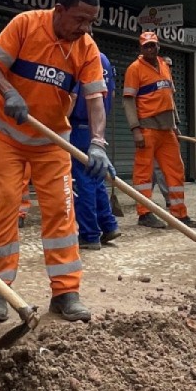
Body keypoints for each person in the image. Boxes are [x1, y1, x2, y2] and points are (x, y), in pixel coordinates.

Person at [0, 0, 112, 324]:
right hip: (8, 139)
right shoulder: (25, 24)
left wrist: (97, 142)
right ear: (59, 9)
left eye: (90, 21)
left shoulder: (86, 47)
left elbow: (95, 99)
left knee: (62, 214)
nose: (85, 28)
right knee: (4, 205)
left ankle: (66, 293)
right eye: (79, 19)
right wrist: (9, 92)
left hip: (52, 144)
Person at [121, 30, 196, 230]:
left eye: (153, 45)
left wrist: (175, 124)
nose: (150, 48)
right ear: (141, 48)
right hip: (147, 128)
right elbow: (128, 100)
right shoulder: (134, 69)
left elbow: (170, 98)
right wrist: (135, 129)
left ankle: (179, 214)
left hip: (167, 129)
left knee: (175, 171)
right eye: (146, 45)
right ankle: (145, 213)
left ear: (158, 46)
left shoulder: (164, 65)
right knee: (144, 174)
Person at [71, 47, 119, 247]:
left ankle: (90, 235)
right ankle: (109, 226)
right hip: (97, 128)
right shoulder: (104, 59)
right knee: (96, 178)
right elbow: (112, 94)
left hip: (78, 127)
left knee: (81, 184)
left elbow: (72, 97)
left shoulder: (80, 56)